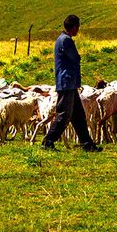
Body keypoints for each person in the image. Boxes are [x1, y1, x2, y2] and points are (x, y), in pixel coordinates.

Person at [41, 14, 102, 151]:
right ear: (74, 27)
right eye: (78, 27)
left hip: (69, 83)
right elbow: (75, 58)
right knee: (64, 114)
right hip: (67, 82)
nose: (78, 30)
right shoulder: (66, 41)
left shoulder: (61, 39)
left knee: (79, 116)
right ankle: (48, 140)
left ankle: (86, 143)